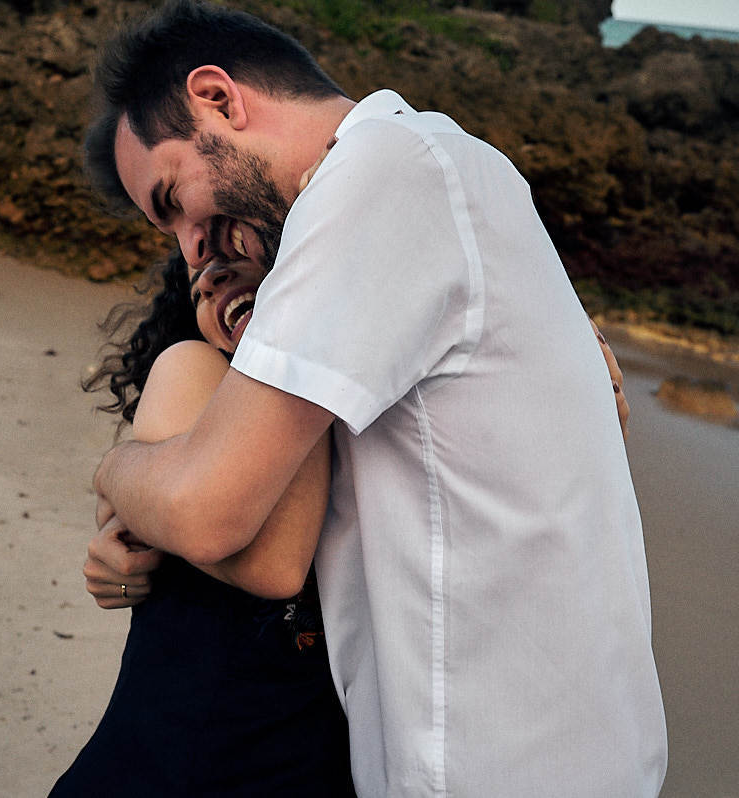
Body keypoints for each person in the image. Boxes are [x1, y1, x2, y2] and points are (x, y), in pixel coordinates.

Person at [80, 1, 666, 795]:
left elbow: (209, 509)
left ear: (217, 98)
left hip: (493, 762)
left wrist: (116, 472)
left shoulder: (382, 171)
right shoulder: (446, 168)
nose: (191, 243)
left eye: (173, 198)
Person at [50, 250, 355, 796]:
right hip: (182, 757)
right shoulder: (195, 365)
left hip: (311, 759)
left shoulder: (356, 408)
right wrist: (113, 472)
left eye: (230, 258)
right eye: (198, 292)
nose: (210, 282)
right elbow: (276, 566)